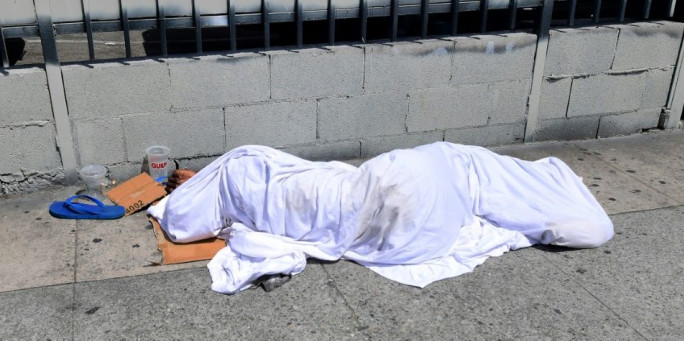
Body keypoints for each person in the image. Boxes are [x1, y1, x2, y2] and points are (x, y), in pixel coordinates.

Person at [151, 142, 613, 294]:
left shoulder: (239, 170)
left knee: (353, 195)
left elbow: (182, 223)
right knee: (359, 188)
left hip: (397, 188)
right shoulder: (247, 165)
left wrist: (192, 186)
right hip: (413, 174)